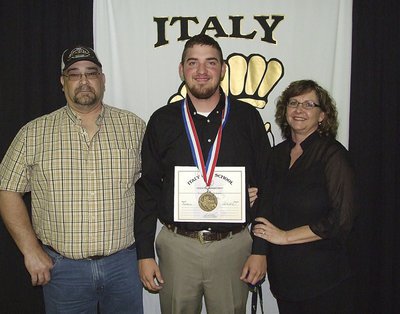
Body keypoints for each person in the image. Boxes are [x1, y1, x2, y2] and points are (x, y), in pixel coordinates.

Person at [0, 46, 145, 313]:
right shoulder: (34, 133)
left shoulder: (134, 127)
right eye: (74, 74)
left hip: (123, 266)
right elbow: (8, 190)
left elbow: (158, 183)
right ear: (62, 82)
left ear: (103, 79)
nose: (84, 81)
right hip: (63, 270)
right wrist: (31, 251)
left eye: (91, 73)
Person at [134, 34, 270, 314]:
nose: (202, 71)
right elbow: (148, 188)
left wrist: (260, 250)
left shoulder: (247, 118)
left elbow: (267, 186)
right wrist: (145, 253)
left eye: (211, 62)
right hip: (177, 246)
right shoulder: (162, 121)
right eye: (192, 62)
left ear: (222, 69)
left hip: (232, 246)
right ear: (181, 69)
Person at [253, 80, 357, 314]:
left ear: (322, 115)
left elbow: (342, 220)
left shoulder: (333, 155)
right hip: (284, 280)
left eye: (309, 104)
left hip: (324, 281)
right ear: (285, 110)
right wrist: (251, 200)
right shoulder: (276, 155)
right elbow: (271, 205)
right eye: (294, 103)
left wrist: (285, 237)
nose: (299, 110)